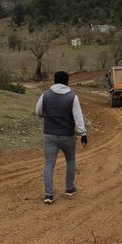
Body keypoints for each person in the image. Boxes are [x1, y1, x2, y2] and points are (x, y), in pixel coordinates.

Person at [35, 71, 88, 204]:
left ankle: (48, 195)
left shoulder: (45, 95)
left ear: (54, 81)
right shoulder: (72, 97)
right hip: (67, 136)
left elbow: (38, 112)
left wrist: (48, 116)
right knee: (70, 160)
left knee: (49, 163)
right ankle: (69, 189)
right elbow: (78, 117)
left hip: (49, 135)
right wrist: (83, 134)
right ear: (67, 81)